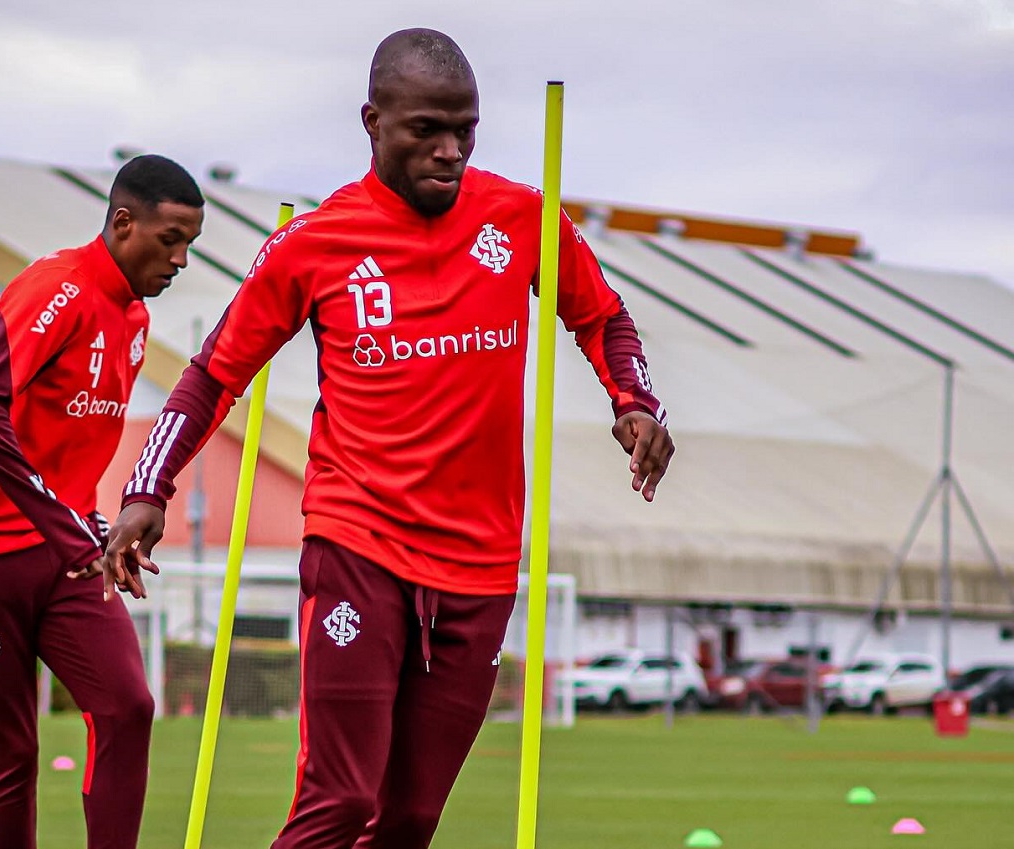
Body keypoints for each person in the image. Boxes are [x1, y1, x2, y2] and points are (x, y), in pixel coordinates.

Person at [103, 28, 674, 849]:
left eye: (465, 130)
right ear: (374, 121)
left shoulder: (519, 216)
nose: (450, 151)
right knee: (340, 800)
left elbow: (603, 317)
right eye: (427, 130)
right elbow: (212, 374)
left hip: (479, 565)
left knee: (407, 820)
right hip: (358, 545)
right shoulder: (315, 244)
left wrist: (636, 400)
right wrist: (147, 489)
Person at [0, 154, 205, 849]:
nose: (182, 259)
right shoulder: (56, 286)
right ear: (124, 222)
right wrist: (69, 530)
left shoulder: (132, 319)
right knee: (10, 757)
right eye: (171, 240)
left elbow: (67, 449)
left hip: (63, 547)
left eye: (191, 243)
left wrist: (92, 527)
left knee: (129, 705)